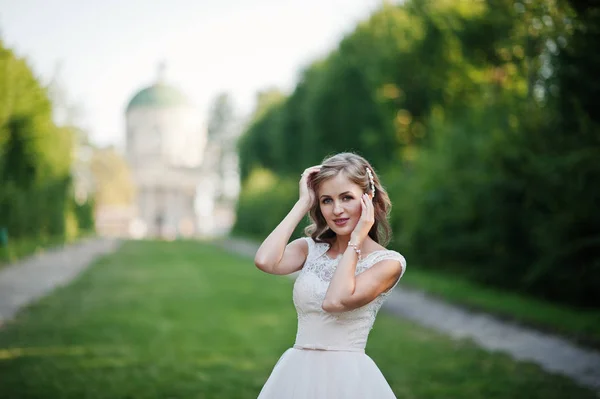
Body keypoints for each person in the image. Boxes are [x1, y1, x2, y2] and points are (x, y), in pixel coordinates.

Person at [254, 152, 407, 399]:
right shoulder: (310, 249)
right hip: (296, 373)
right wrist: (303, 202)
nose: (337, 210)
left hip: (348, 380)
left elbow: (335, 301)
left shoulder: (388, 263)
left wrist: (355, 241)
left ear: (368, 199)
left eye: (347, 197)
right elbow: (265, 261)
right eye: (326, 200)